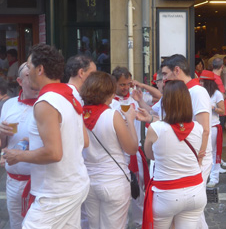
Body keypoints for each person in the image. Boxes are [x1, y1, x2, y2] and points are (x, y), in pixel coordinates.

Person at [3, 43, 89, 228]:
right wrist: (32, 142)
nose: (29, 70)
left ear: (40, 69)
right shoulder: (70, 94)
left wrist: (18, 155)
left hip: (56, 192)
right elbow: (82, 140)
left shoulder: (45, 102)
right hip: (73, 184)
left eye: (30, 66)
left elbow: (54, 153)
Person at [141, 80, 207, 229]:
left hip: (166, 193)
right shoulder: (198, 128)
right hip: (195, 191)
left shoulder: (155, 128)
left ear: (166, 102)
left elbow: (150, 155)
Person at [158, 54, 211, 229]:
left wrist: (199, 158)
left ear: (177, 70)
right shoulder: (184, 90)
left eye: (166, 74)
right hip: (186, 156)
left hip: (195, 157)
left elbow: (204, 129)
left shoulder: (197, 91)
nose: (164, 79)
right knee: (189, 209)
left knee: (194, 209)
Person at [80, 71, 138, 229]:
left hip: (89, 180)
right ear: (108, 93)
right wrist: (131, 121)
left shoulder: (78, 115)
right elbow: (132, 148)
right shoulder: (112, 115)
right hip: (114, 181)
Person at [0, 63, 38, 229]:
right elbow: (3, 145)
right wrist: (1, 133)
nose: (34, 80)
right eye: (29, 77)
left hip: (40, 182)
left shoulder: (47, 105)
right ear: (20, 81)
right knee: (16, 225)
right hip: (13, 181)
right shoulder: (9, 105)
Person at [111, 66, 149, 228]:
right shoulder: (109, 102)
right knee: (121, 192)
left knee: (139, 190)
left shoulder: (135, 98)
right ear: (114, 83)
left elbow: (153, 111)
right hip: (117, 152)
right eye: (122, 84)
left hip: (135, 151)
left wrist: (140, 97)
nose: (125, 87)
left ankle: (140, 223)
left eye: (127, 84)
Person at [199, 70, 225, 188]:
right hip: (202, 128)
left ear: (208, 83)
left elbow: (223, 111)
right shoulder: (200, 93)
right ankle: (204, 176)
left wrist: (213, 107)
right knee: (203, 151)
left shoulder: (217, 94)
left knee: (214, 152)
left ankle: (214, 178)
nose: (200, 83)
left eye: (202, 81)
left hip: (213, 127)